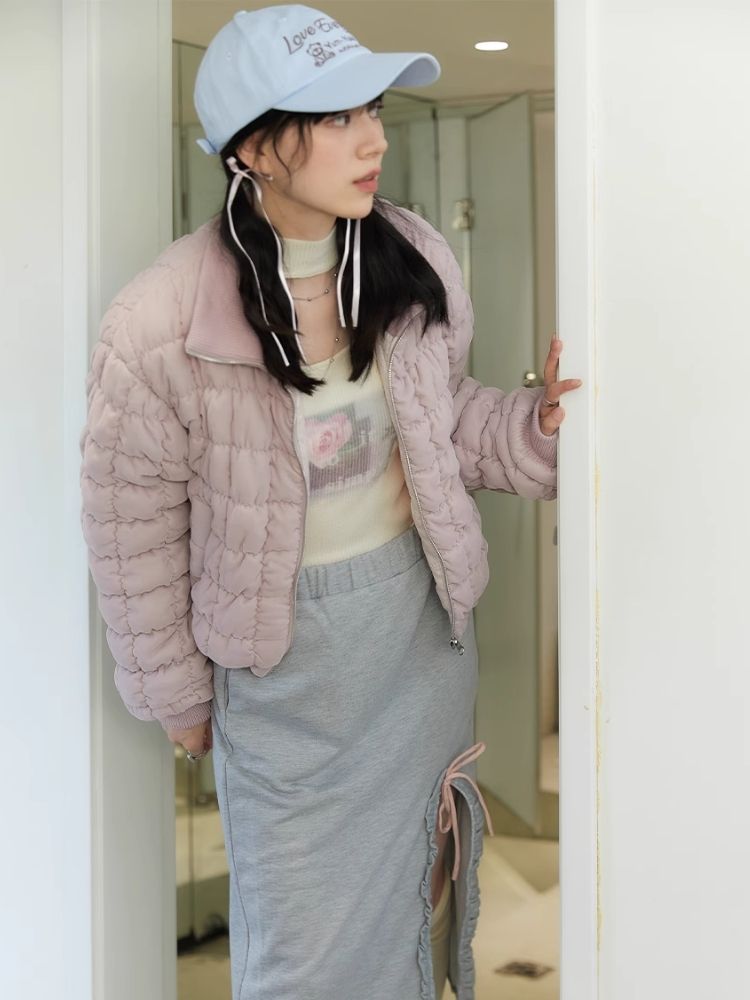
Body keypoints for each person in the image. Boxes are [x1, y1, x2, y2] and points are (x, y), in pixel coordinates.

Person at [79, 5, 582, 999]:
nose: (373, 139)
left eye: (373, 110)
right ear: (253, 147)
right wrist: (178, 696)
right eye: (336, 117)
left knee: (416, 904)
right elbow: (130, 530)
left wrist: (534, 428)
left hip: (417, 634)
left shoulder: (412, 254)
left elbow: (444, 422)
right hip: (287, 672)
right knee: (304, 954)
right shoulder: (156, 320)